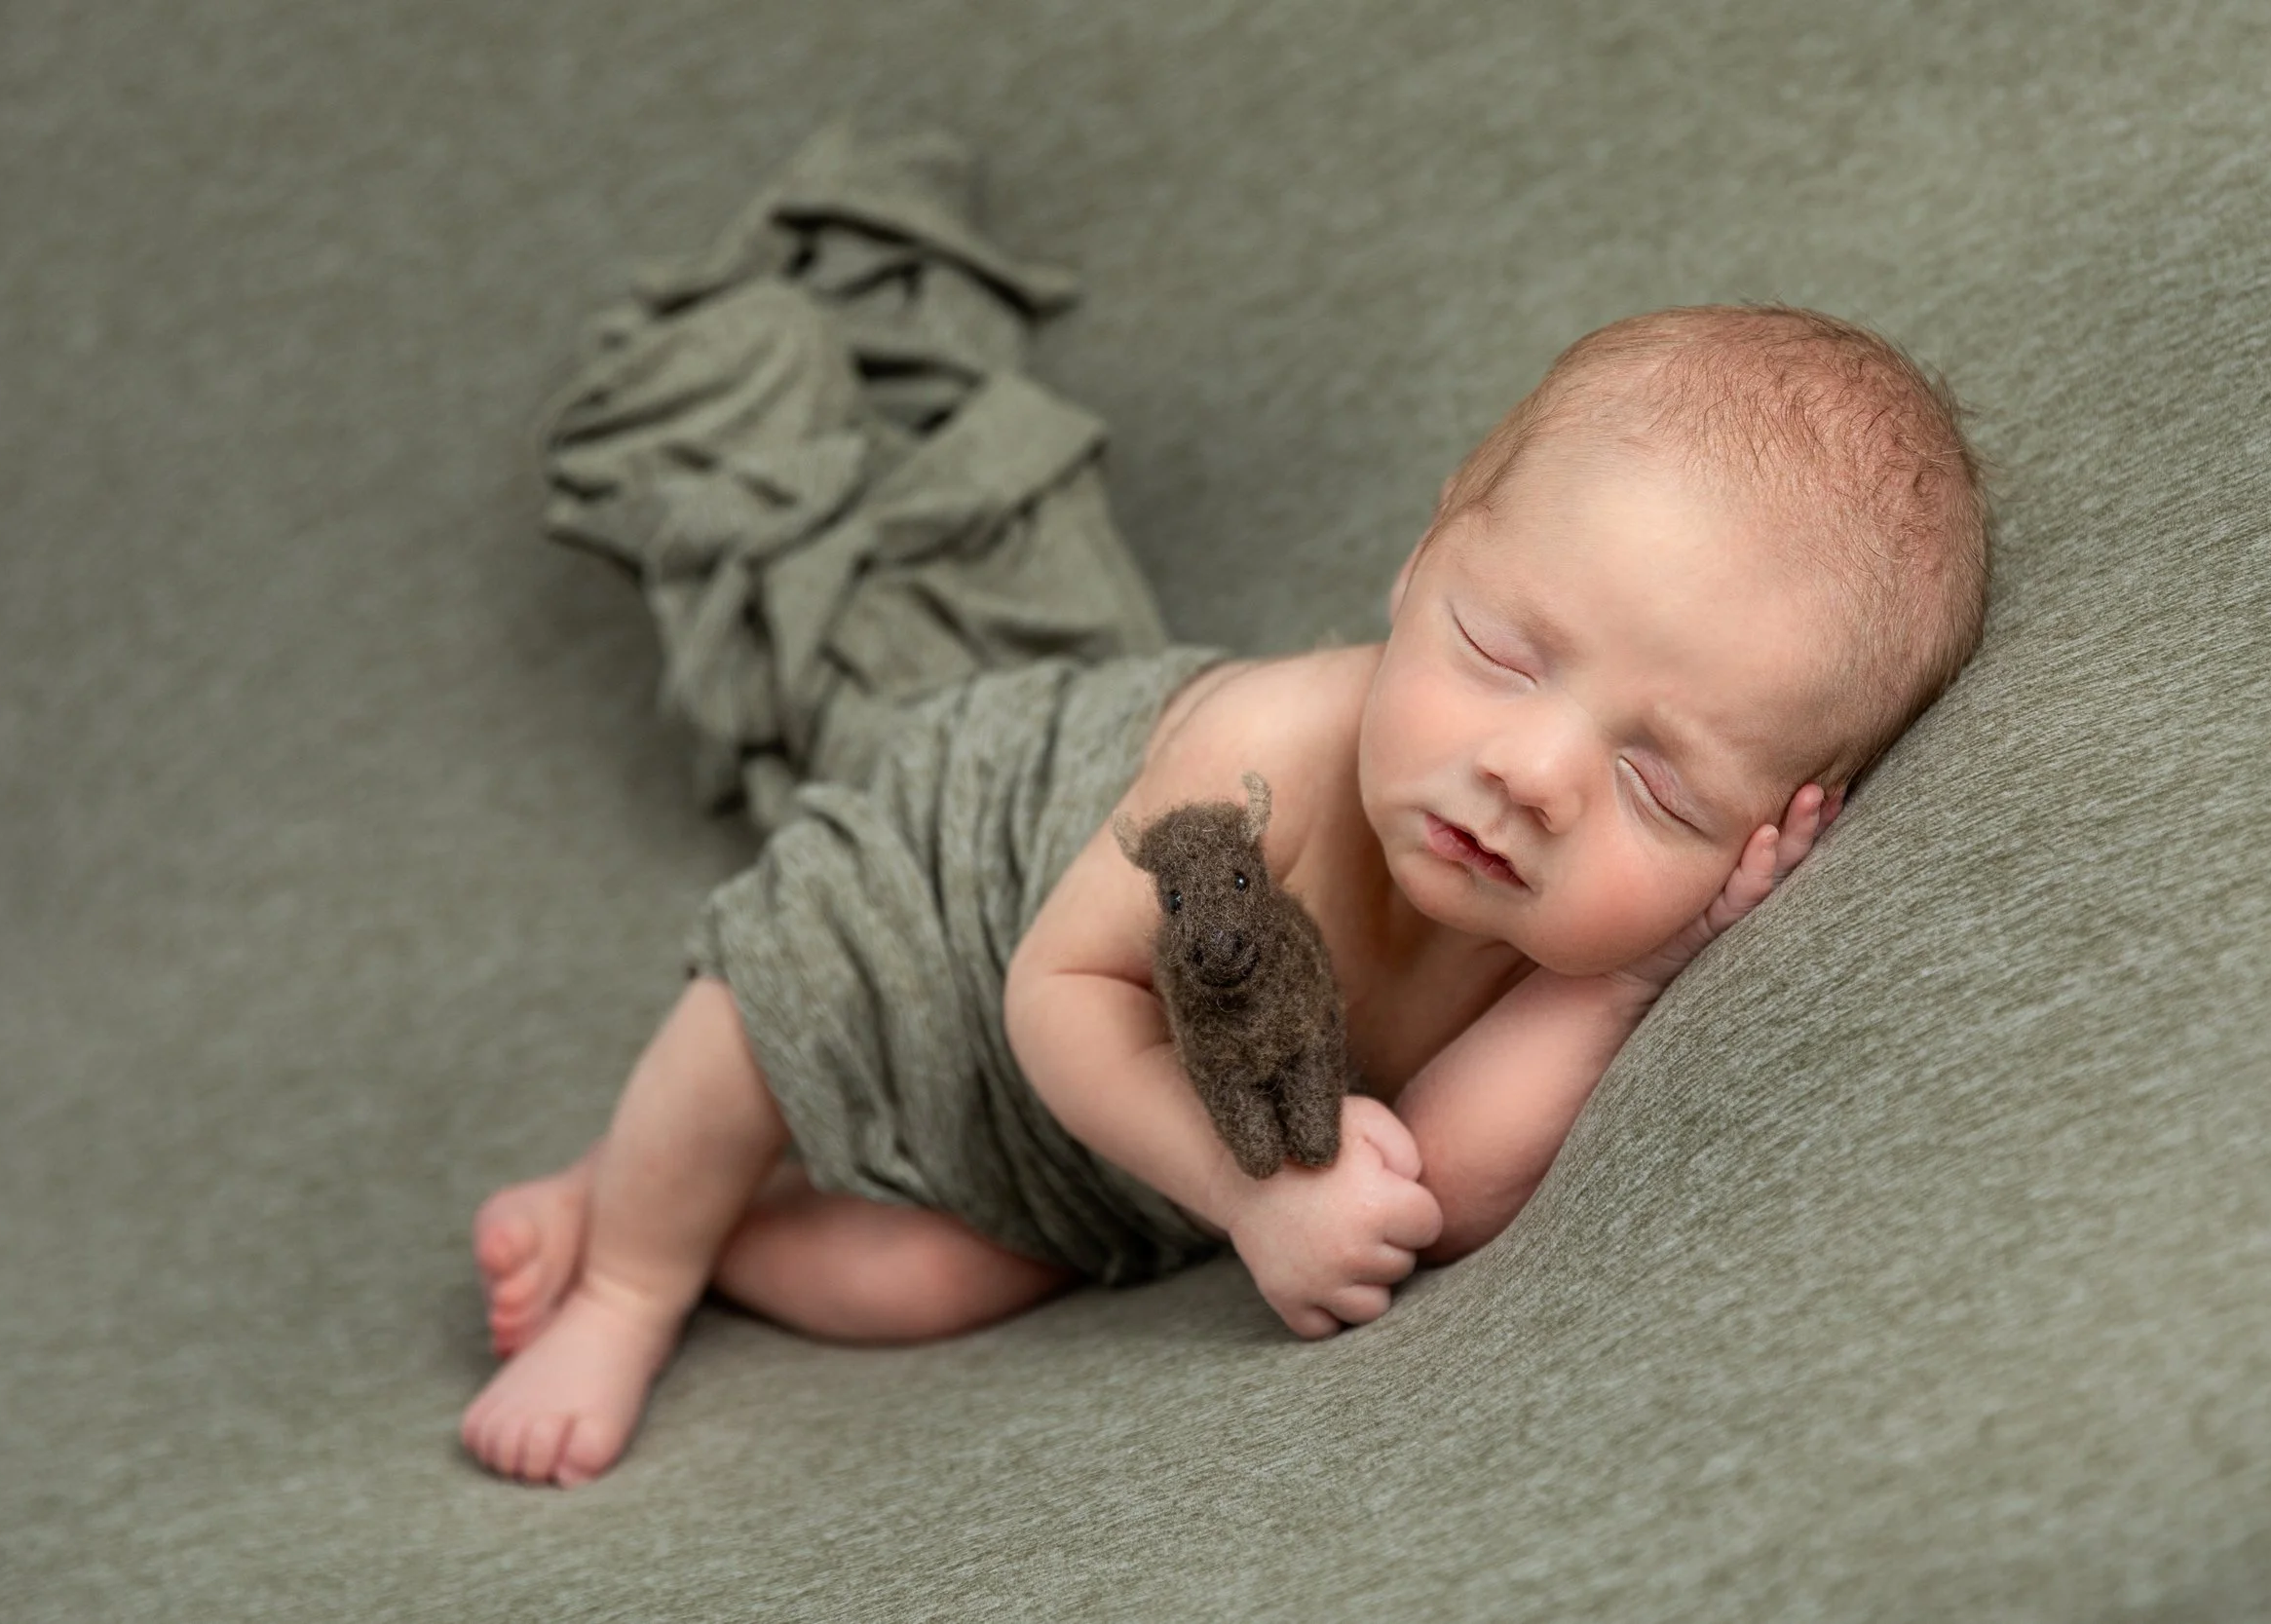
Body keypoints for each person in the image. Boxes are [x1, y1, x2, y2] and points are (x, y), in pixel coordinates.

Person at [458, 303, 1989, 1487]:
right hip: (979, 914)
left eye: (1659, 787)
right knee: (742, 1039)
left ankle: (692, 1232)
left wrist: (1635, 973)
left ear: (1760, 840)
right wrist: (1257, 1191)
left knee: (925, 1282)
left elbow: (1430, 1185)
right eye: (1505, 655)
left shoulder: (1576, 922)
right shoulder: (1262, 757)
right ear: (1419, 558)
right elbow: (1052, 995)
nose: (1531, 775)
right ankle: (633, 1275)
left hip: (1113, 1144)